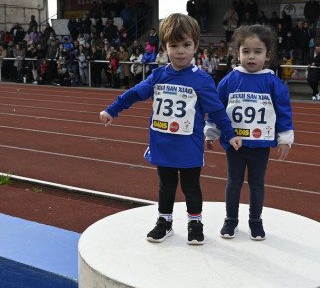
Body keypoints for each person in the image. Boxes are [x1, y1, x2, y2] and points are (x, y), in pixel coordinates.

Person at [99, 13, 242, 245]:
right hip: (162, 144)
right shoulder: (158, 76)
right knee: (166, 186)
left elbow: (217, 111)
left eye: (186, 45)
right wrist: (112, 110)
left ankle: (195, 224)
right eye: (174, 45)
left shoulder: (203, 81)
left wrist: (231, 134)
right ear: (165, 47)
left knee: (191, 187)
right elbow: (134, 93)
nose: (180, 51)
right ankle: (164, 224)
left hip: (189, 147)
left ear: (196, 46)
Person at [204, 25, 293, 241]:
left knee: (257, 184)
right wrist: (211, 133)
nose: (251, 57)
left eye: (257, 51)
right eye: (246, 51)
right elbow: (218, 109)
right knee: (233, 182)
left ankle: (255, 221)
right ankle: (231, 220)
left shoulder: (273, 83)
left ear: (267, 55)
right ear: (237, 53)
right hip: (235, 144)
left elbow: (283, 113)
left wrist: (284, 139)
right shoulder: (229, 81)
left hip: (260, 145)